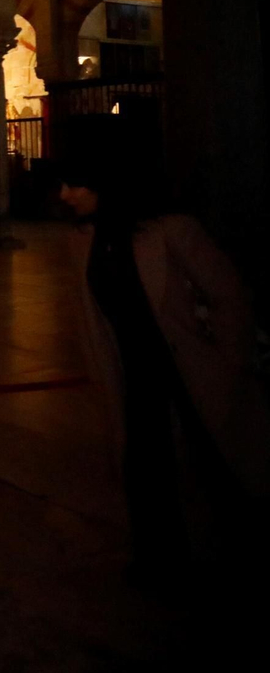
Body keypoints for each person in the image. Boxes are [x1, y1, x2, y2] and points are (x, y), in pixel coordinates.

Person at [59, 147, 269, 585]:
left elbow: (228, 296)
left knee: (214, 463)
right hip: (133, 372)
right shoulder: (84, 238)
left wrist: (227, 362)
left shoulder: (171, 231)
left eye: (74, 184)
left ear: (104, 184)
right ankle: (161, 561)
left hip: (189, 368)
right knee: (147, 469)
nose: (64, 195)